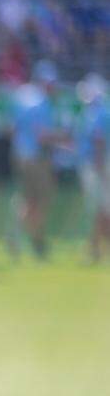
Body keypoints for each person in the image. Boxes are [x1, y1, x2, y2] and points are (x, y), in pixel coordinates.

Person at [9, 59, 67, 260]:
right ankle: (37, 241)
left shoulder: (22, 98)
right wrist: (63, 138)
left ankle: (18, 236)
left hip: (21, 155)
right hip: (37, 158)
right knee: (41, 201)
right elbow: (43, 136)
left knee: (27, 200)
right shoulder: (42, 103)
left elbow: (13, 129)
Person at [74, 73, 110, 262]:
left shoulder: (99, 113)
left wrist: (100, 167)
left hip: (98, 165)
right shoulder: (96, 112)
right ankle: (96, 247)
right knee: (101, 208)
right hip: (96, 164)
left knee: (100, 208)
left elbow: (99, 141)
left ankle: (95, 248)